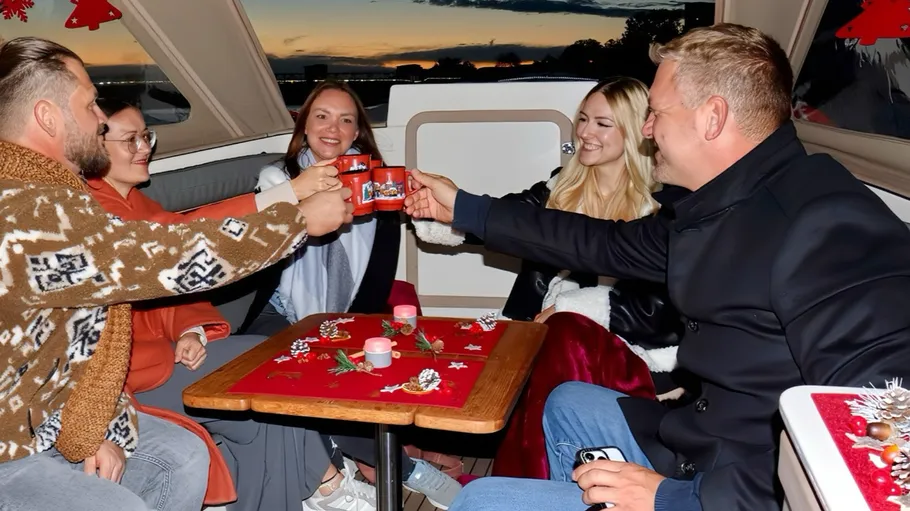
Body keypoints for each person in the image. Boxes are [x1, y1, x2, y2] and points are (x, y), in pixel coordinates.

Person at [404, 23, 910, 510]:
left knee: (480, 501)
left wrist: (670, 499)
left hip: (741, 483)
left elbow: (877, 441)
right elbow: (597, 241)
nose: (646, 131)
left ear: (711, 118)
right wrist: (465, 208)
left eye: (657, 114)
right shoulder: (725, 205)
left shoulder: (828, 227)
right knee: (569, 401)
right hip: (702, 440)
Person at [0, 36, 351, 511]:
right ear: (47, 117)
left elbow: (63, 354)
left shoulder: (54, 196)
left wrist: (85, 431)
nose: (100, 118)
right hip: (11, 445)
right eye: (88, 104)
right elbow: (160, 255)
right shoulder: (25, 212)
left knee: (181, 458)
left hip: (49, 416)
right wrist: (296, 221)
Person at [86, 99, 379, 511]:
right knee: (265, 375)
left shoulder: (139, 204)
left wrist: (191, 329)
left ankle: (311, 492)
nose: (144, 147)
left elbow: (173, 286)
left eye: (146, 136)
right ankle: (327, 487)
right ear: (93, 145)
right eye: (130, 139)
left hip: (165, 354)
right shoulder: (93, 208)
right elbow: (182, 240)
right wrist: (291, 203)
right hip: (127, 378)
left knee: (273, 364)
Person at [410, 77, 687, 479]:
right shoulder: (562, 185)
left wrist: (568, 310)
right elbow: (512, 219)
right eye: (583, 119)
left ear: (635, 131)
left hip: (635, 352)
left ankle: (525, 482)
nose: (585, 133)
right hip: (554, 338)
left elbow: (662, 310)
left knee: (563, 335)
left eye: (603, 124)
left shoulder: (665, 206)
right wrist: (443, 213)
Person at [253, 81, 462, 508]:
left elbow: (393, 255)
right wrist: (310, 193)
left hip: (344, 310)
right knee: (310, 379)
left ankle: (376, 457)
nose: (334, 128)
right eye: (322, 116)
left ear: (357, 131)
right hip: (280, 311)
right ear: (304, 125)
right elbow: (261, 239)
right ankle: (402, 468)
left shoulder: (375, 181)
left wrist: (431, 202)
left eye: (346, 119)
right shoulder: (279, 178)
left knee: (370, 368)